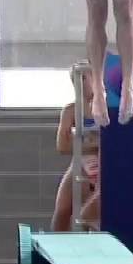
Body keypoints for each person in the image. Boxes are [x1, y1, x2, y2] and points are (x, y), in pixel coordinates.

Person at [52, 65, 101, 231]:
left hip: (104, 160)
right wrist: (92, 146)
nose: (79, 83)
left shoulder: (109, 107)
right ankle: (55, 250)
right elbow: (62, 146)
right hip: (81, 160)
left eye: (84, 78)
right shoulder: (71, 110)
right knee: (63, 208)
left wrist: (84, 145)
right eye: (75, 79)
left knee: (88, 213)